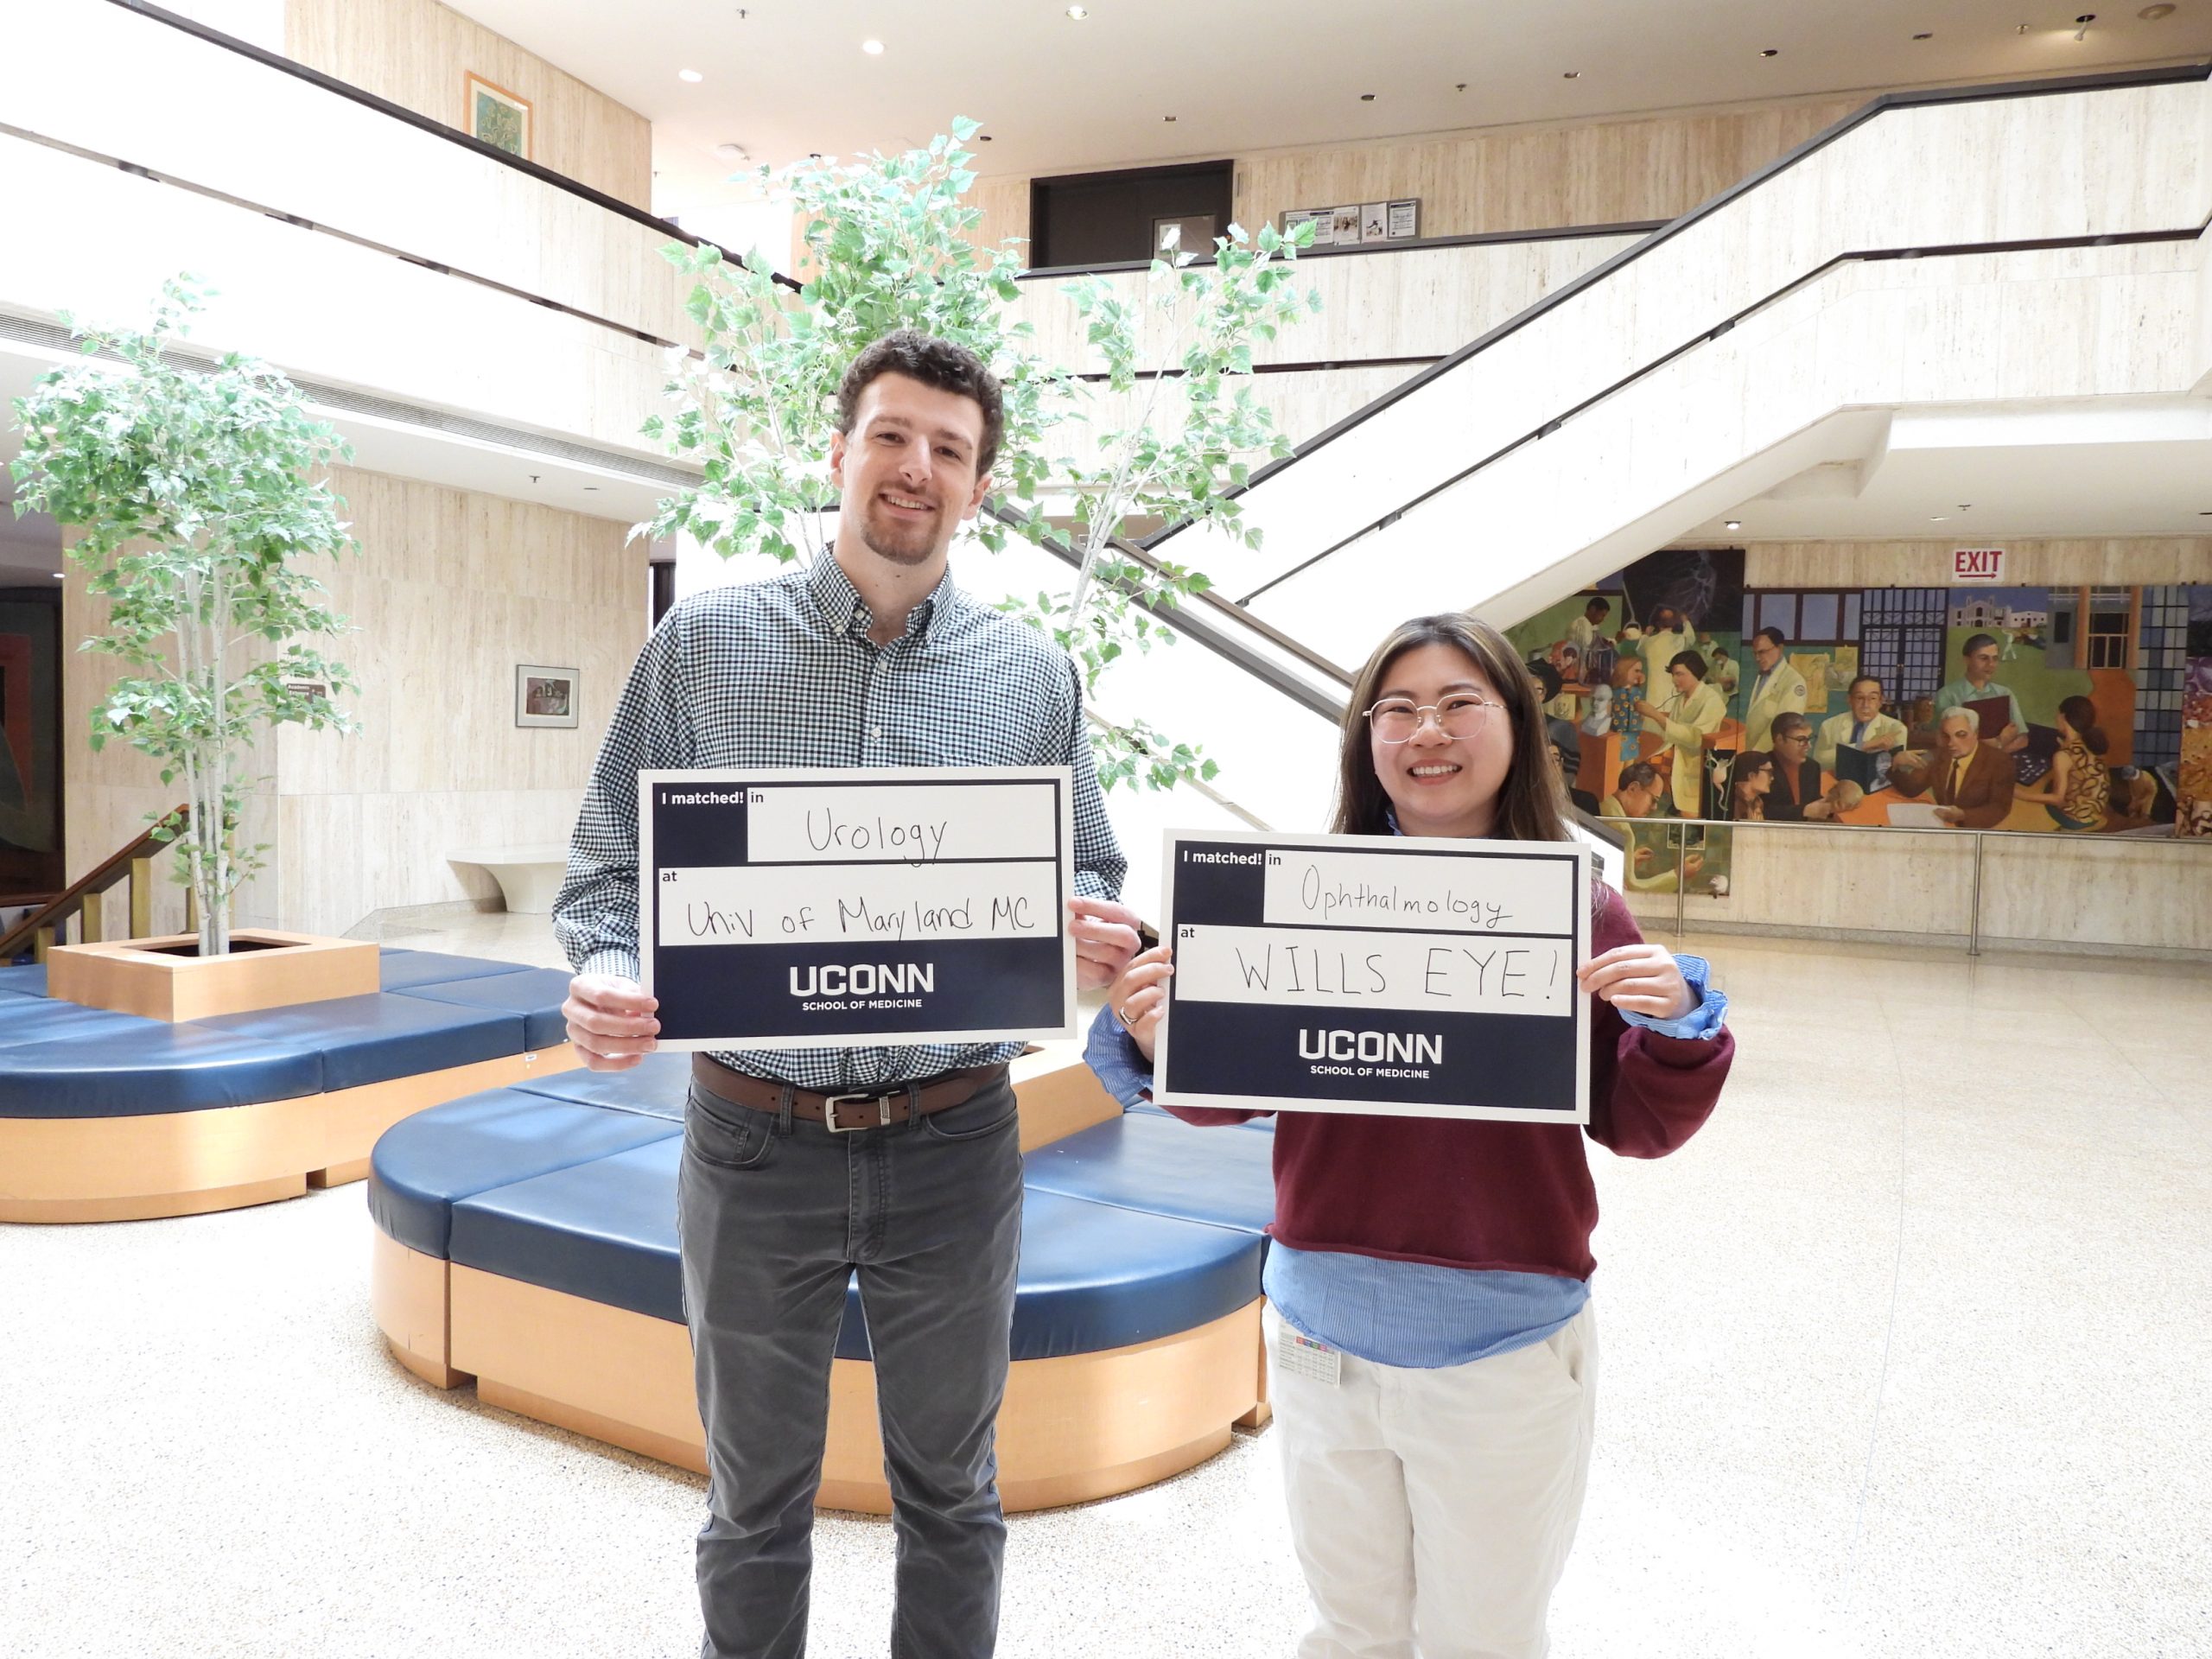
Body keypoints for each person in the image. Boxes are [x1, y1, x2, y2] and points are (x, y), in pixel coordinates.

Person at [552, 330, 1144, 1659]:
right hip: (752, 1140)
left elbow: (1089, 867)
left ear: (980, 486)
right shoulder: (700, 648)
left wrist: (1094, 931)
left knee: (954, 1495)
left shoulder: (1033, 674)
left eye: (949, 448)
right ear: (838, 453)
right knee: (753, 1500)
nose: (916, 467)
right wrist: (607, 976)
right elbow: (609, 875)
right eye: (891, 435)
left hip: (956, 1138)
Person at [1086, 612, 1732, 1659]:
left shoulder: (1576, 910)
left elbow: (1639, 1124)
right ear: (1366, 737)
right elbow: (1215, 1100)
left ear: (1516, 726)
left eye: (1458, 703)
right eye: (1398, 709)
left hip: (1502, 1342)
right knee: (1350, 1629)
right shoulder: (1293, 895)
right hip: (1319, 1330)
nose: (1427, 731)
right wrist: (1162, 1038)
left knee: (1486, 1637)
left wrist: (1677, 1026)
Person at [1633, 649, 1726, 817]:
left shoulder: (1711, 700)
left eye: (1679, 674)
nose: (1674, 680)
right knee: (1642, 772)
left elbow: (1696, 738)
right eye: (1673, 675)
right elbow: (1670, 732)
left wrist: (1655, 715)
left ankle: (1670, 809)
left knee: (1650, 775)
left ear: (1695, 672)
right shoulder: (1680, 699)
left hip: (1695, 759)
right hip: (1676, 753)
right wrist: (1647, 716)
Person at [1906, 707, 2017, 829]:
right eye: (1946, 736)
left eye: (1961, 735)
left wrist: (1963, 816)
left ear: (1976, 733)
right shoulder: (1935, 754)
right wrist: (1897, 762)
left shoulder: (2000, 761)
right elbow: (1910, 788)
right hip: (1941, 824)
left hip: (1974, 829)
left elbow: (1999, 808)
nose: (1951, 743)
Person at [2013, 694, 2111, 830]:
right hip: (2095, 813)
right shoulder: (2091, 743)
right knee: (2051, 783)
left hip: (2075, 819)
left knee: (2031, 795)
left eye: (2057, 714)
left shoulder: (2063, 755)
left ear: (2063, 716)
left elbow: (2057, 799)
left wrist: (2020, 794)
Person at [1932, 632, 2028, 753]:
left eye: (1995, 658)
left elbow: (2023, 739)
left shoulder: (2004, 693)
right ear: (1967, 660)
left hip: (1999, 760)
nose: (1991, 664)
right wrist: (1999, 742)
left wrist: (1994, 753)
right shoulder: (1948, 694)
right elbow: (1943, 740)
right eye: (1983, 658)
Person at [1814, 675, 1908, 773]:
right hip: (1835, 780)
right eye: (1859, 698)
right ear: (1849, 700)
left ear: (1881, 701)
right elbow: (1819, 760)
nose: (1866, 705)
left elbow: (1897, 768)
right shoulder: (1829, 725)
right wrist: (1864, 745)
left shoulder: (1896, 728)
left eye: (1873, 698)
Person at [1741, 626, 1807, 752]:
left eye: (1762, 652)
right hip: (1752, 753)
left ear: (1780, 648)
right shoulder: (1762, 676)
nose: (1757, 658)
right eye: (1755, 653)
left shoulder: (1794, 682)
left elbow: (1785, 728)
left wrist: (1758, 754)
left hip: (1772, 755)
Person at [1763, 713, 1834, 822]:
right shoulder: (1761, 767)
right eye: (1801, 740)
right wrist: (1803, 811)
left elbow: (1813, 801)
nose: (1808, 746)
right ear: (1780, 739)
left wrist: (1833, 804)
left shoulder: (1812, 767)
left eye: (1809, 739)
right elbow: (1760, 811)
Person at [1599, 759, 1663, 821]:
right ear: (1633, 788)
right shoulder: (1616, 822)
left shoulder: (1609, 806)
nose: (1654, 808)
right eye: (1653, 800)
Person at [1728, 749, 1775, 821]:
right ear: (1751, 775)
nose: (1772, 778)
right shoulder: (1732, 803)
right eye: (1769, 772)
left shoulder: (1757, 803)